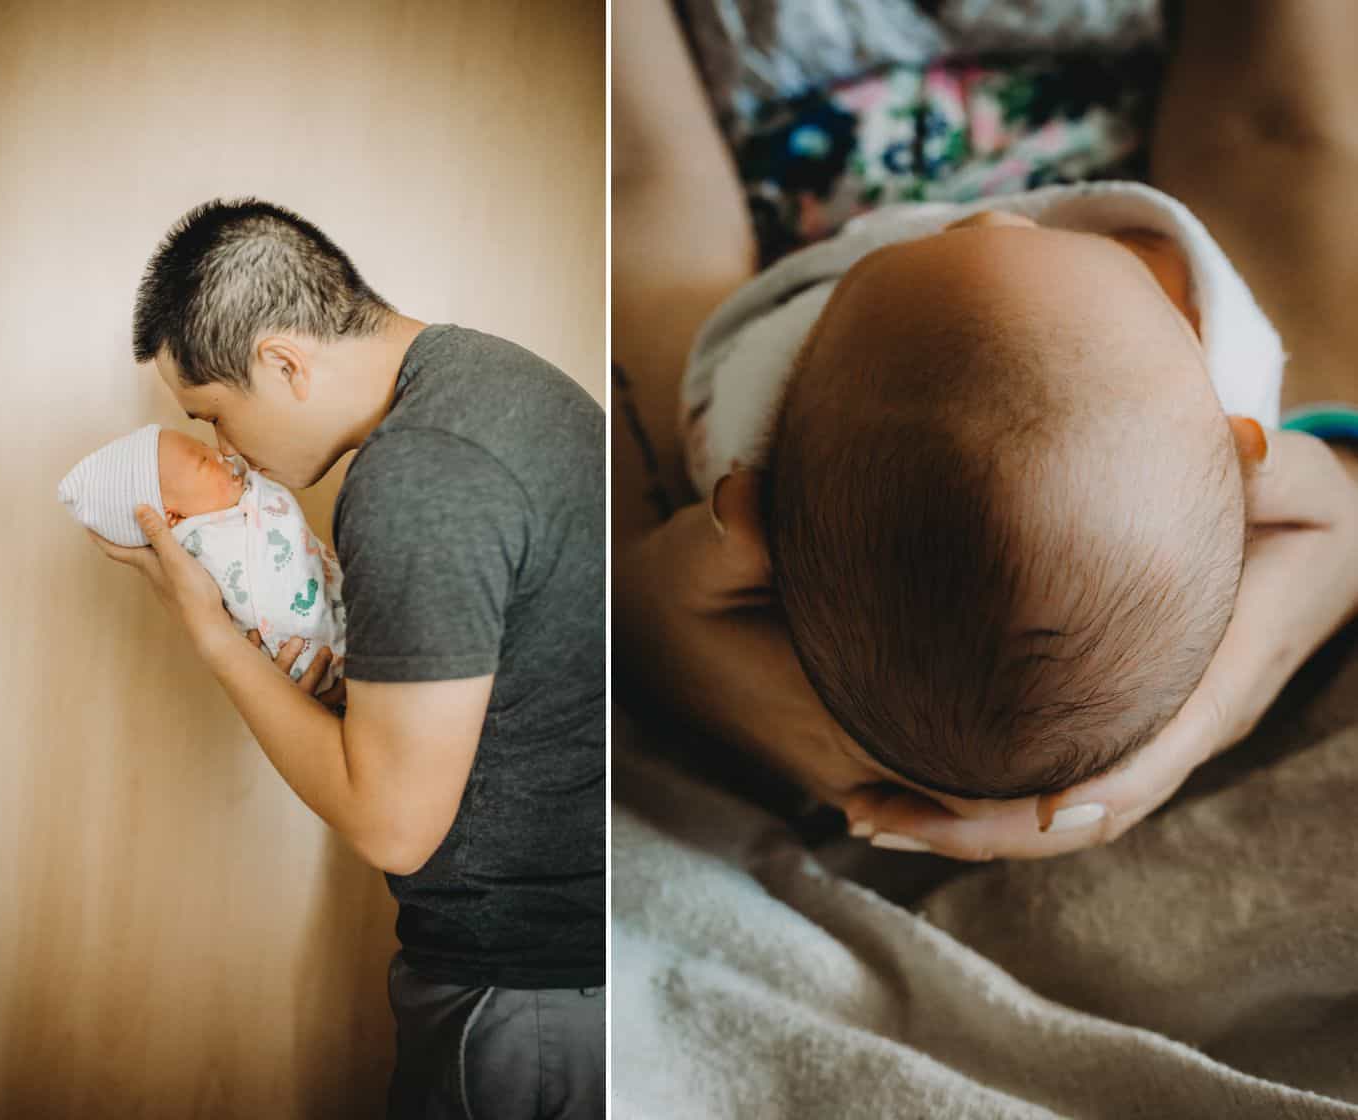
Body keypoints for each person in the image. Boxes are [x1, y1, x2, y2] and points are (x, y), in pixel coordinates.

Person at [613, 0, 1358, 858]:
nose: (995, 214)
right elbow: (639, 177)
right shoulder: (1225, 356)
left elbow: (1282, 131)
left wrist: (655, 513)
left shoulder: (738, 410)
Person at [87, 197, 605, 1118]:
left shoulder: (418, 475)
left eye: (213, 414)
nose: (225, 451)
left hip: (523, 998)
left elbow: (393, 825)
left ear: (283, 361)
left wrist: (206, 626)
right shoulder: (495, 378)